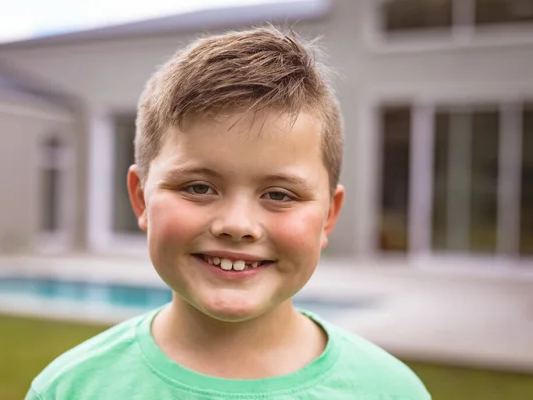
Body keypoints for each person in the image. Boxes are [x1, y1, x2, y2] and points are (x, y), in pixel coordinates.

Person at [25, 26, 431, 400]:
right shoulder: (70, 389)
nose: (237, 225)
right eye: (198, 188)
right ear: (142, 199)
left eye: (279, 195)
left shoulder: (391, 392)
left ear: (328, 215)